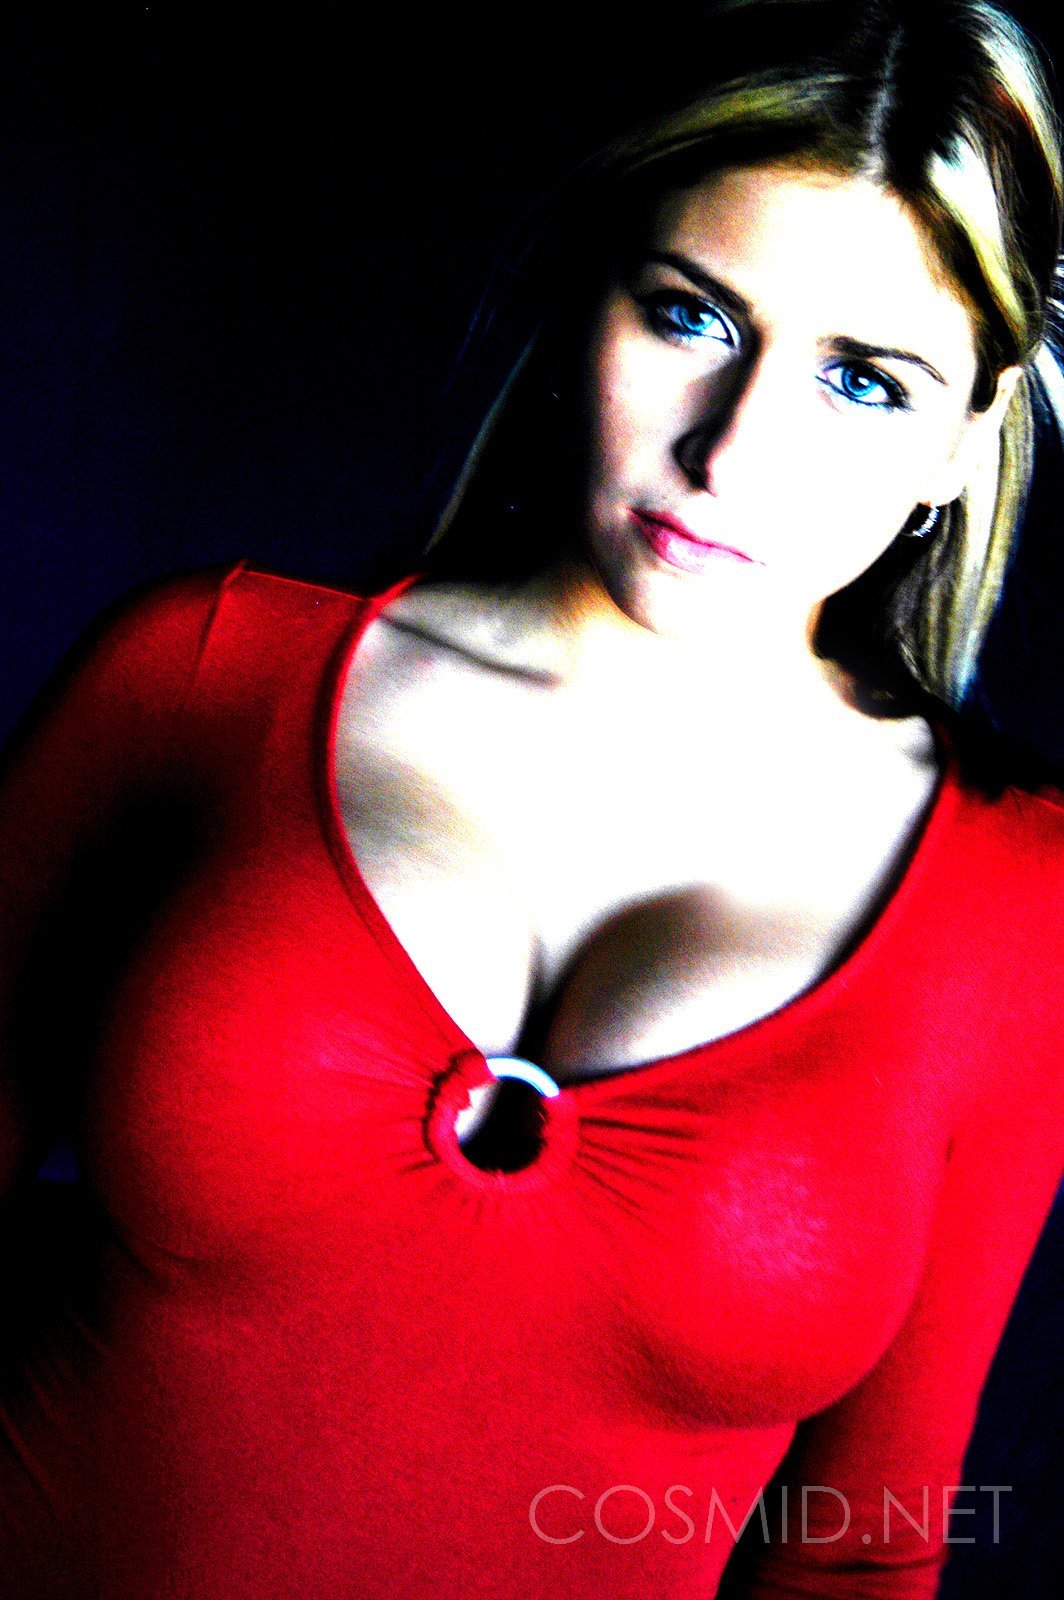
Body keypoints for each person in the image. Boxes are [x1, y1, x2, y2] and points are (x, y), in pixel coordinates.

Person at [0, 1, 1061, 1596]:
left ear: (965, 446)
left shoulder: (1021, 907)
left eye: (866, 382)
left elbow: (858, 1551)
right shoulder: (201, 674)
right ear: (587, 294)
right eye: (692, 317)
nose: (735, 455)